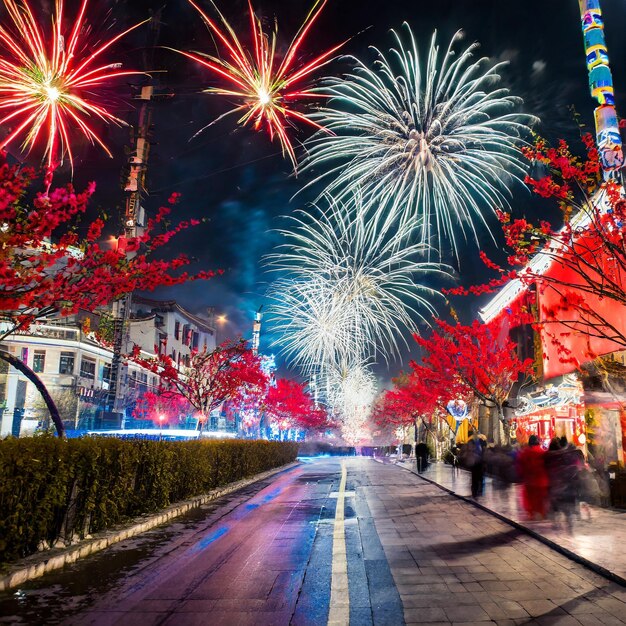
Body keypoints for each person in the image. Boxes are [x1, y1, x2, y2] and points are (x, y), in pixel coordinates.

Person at [517, 434, 549, 520]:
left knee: (530, 500)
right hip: (542, 481)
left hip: (529, 481)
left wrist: (521, 476)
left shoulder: (524, 453)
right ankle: (541, 514)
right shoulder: (544, 452)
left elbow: (520, 467)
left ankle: (532, 514)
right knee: (541, 500)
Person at [461, 431, 485, 498]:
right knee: (475, 478)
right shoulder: (472, 442)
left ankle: (478, 491)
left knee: (479, 477)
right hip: (475, 463)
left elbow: (482, 451)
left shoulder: (480, 442)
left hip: (479, 462)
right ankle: (475, 492)